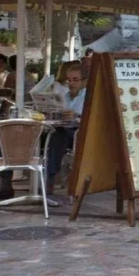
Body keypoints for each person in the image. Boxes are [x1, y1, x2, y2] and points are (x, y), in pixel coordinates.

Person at [45, 65, 86, 197]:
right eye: (69, 80)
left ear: (84, 81)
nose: (71, 83)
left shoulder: (89, 96)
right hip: (65, 128)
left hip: (81, 133)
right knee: (42, 133)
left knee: (57, 136)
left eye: (75, 79)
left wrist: (77, 116)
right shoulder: (66, 96)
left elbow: (95, 117)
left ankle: (50, 178)